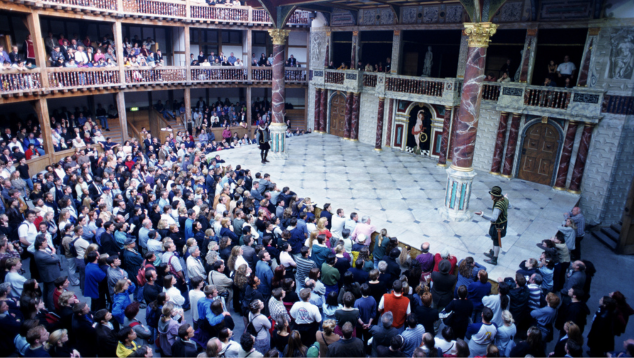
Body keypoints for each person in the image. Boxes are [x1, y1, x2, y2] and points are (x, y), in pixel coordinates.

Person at [475, 186, 509, 265]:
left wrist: (482, 215)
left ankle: (494, 259)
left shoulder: (498, 205)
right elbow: (509, 205)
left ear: (495, 196)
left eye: (492, 194)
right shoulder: (505, 199)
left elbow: (494, 218)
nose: (490, 196)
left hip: (498, 226)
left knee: (496, 241)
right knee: (495, 240)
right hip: (502, 223)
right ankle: (493, 253)